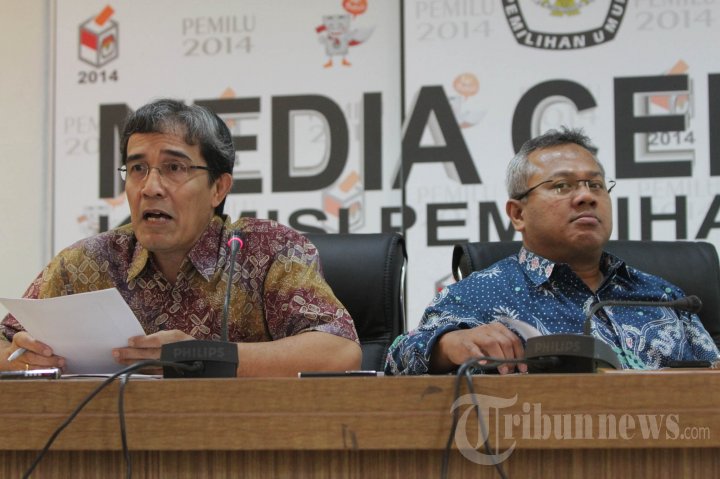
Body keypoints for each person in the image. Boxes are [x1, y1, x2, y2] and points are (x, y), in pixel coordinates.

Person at [0, 98, 361, 376]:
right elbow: (6, 342)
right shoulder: (86, 263)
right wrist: (22, 358)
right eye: (137, 168)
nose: (150, 187)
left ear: (218, 188)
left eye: (174, 167)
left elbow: (340, 352)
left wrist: (200, 357)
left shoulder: (270, 251)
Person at [385, 127, 720, 375]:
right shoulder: (477, 295)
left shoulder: (663, 296)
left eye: (596, 184)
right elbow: (396, 362)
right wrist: (446, 346)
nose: (586, 196)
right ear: (518, 213)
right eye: (562, 186)